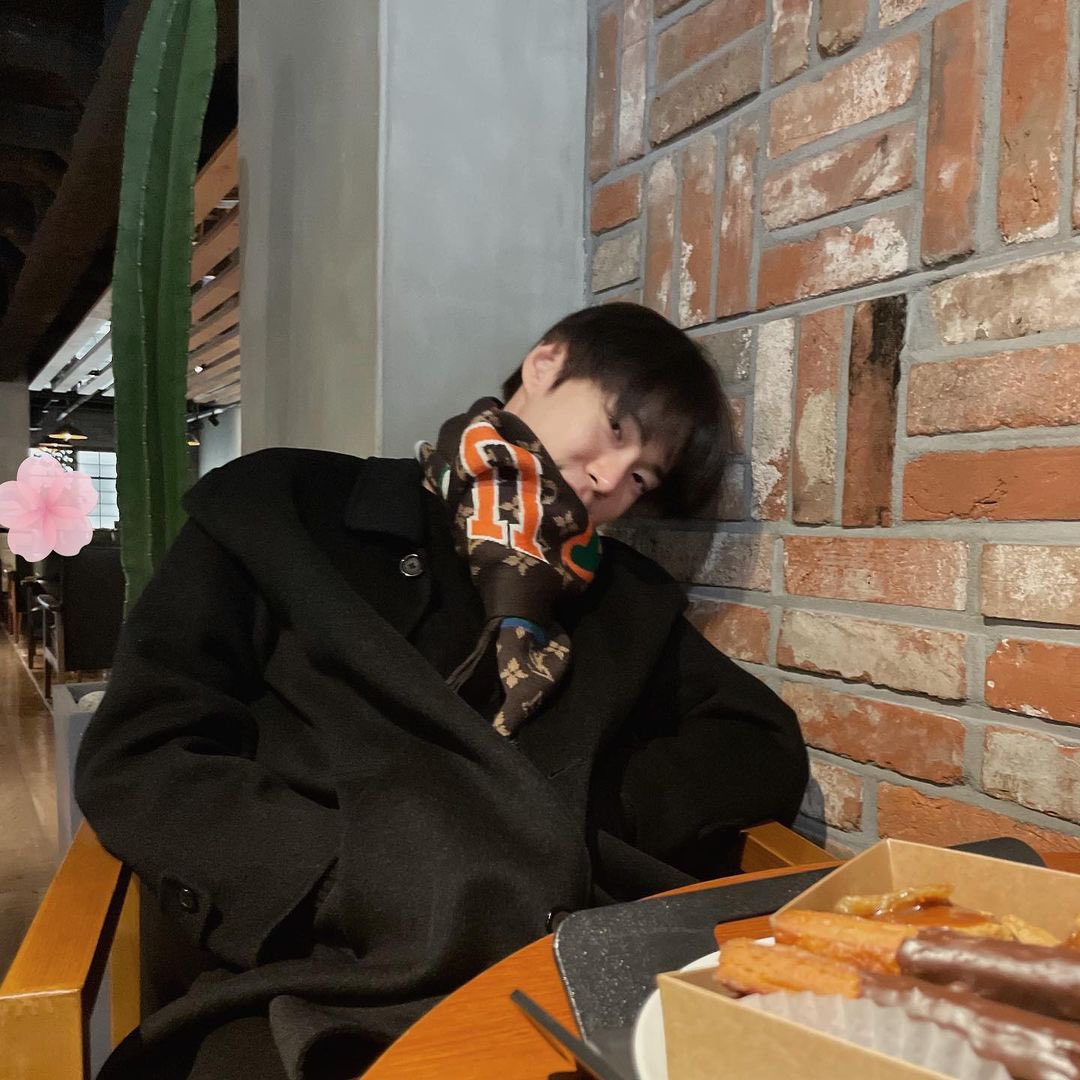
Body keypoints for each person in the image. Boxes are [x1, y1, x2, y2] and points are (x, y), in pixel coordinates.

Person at [76, 302, 809, 1079]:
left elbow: (757, 742)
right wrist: (346, 876)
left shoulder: (623, 599)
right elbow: (142, 754)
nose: (607, 479)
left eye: (641, 477)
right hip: (331, 973)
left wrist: (571, 813)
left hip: (564, 965)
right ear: (546, 364)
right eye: (617, 429)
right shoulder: (289, 508)